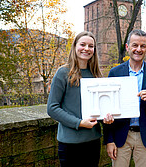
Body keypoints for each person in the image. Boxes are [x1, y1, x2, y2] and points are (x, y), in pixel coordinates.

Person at [47, 31, 114, 167]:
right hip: (69, 143)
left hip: (93, 141)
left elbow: (99, 109)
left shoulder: (96, 75)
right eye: (82, 45)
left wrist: (106, 118)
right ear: (75, 47)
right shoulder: (63, 73)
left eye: (91, 46)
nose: (86, 49)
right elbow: (52, 108)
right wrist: (79, 123)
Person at [103, 29, 146, 167]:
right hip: (121, 137)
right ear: (128, 47)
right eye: (135, 45)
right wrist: (109, 140)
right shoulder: (115, 73)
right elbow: (107, 110)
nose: (138, 49)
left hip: (145, 136)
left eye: (142, 46)